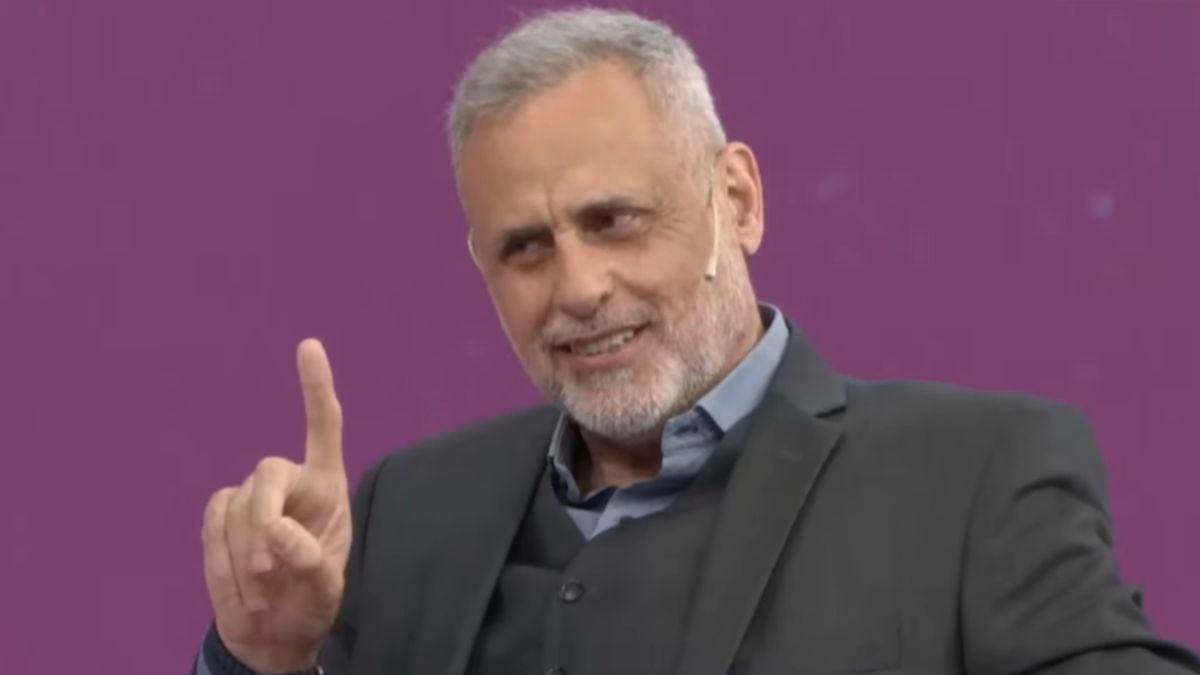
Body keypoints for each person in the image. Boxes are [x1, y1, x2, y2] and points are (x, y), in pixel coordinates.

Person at [193, 8, 1199, 675]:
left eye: (616, 220)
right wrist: (264, 660)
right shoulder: (408, 511)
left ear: (738, 200)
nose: (579, 287)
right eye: (526, 247)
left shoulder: (974, 480)